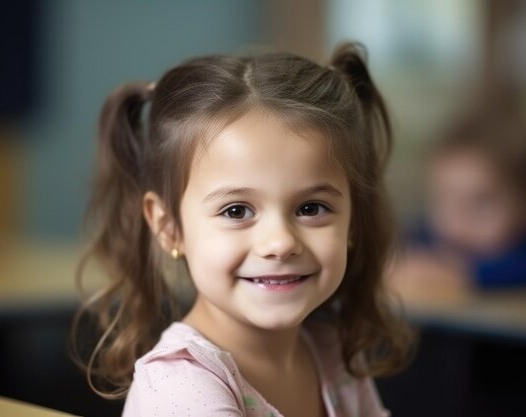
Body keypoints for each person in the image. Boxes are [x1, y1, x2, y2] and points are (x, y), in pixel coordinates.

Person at [71, 43, 414, 417]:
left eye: (311, 208)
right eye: (237, 210)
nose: (280, 243)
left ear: (353, 220)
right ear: (169, 227)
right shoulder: (181, 386)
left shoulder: (333, 356)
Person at [391, 115, 526, 294]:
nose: (457, 226)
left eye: (481, 204)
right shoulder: (426, 235)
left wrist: (467, 275)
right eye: (442, 201)